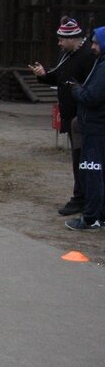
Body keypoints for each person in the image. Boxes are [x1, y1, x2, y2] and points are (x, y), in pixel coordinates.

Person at [29, 17, 97, 216]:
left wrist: (75, 91)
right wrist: (43, 74)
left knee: (83, 160)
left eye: (61, 40)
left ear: (72, 38)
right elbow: (59, 77)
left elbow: (89, 88)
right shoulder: (67, 55)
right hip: (71, 116)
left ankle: (81, 199)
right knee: (78, 159)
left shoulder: (86, 56)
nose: (58, 43)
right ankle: (81, 196)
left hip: (82, 118)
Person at [65, 25, 105, 231]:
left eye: (97, 43)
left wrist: (76, 90)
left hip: (96, 128)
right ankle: (99, 214)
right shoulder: (100, 63)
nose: (93, 47)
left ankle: (90, 218)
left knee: (93, 173)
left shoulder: (103, 67)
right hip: (96, 126)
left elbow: (92, 97)